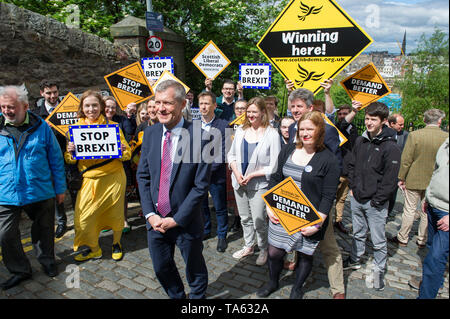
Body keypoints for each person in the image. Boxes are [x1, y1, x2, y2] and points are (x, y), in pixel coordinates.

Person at [136, 80, 211, 299]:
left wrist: (177, 219)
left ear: (181, 105)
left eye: (167, 103)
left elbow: (200, 186)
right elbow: (143, 176)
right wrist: (150, 214)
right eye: (157, 102)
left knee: (194, 268)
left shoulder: (202, 137)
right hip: (155, 221)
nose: (161, 108)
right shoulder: (150, 134)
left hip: (185, 220)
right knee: (161, 267)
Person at [257, 111, 340, 298]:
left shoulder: (329, 160)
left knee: (304, 255)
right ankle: (273, 281)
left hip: (309, 217)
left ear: (320, 130)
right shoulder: (288, 150)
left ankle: (297, 287)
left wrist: (317, 223)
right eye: (302, 129)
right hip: (282, 212)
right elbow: (276, 178)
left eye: (310, 129)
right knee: (274, 252)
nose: (305, 133)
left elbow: (328, 196)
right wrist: (270, 207)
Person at [0, 84, 66, 290]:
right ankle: (20, 269)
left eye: (11, 107)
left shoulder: (42, 126)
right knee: (5, 234)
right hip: (6, 192)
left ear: (25, 106)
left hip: (40, 190)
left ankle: (47, 261)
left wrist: (60, 188)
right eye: (2, 107)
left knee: (44, 231)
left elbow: (55, 158)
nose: (6, 111)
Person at [285, 86, 346, 298]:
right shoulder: (294, 127)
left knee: (328, 244)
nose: (294, 110)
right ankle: (297, 265)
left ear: (310, 107)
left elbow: (334, 165)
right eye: (292, 106)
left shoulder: (327, 130)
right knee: (297, 237)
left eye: (299, 106)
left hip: (318, 197)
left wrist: (323, 205)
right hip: (296, 194)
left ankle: (338, 288)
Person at [65, 91, 131, 262]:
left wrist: (122, 151)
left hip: (114, 177)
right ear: (82, 108)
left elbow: (128, 154)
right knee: (84, 218)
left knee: (115, 214)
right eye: (87, 105)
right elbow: (70, 159)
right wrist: (70, 152)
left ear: (101, 107)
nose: (91, 109)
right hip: (89, 180)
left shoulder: (113, 127)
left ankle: (117, 243)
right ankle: (94, 249)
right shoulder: (74, 129)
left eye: (95, 105)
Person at [344, 101, 401, 291]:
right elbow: (351, 164)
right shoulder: (361, 141)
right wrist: (352, 186)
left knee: (378, 240)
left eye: (373, 120)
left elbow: (390, 179)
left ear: (383, 121)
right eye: (367, 118)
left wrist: (378, 200)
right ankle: (355, 258)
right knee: (358, 233)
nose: (368, 123)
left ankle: (378, 270)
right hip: (357, 196)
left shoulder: (390, 147)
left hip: (375, 202)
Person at [227, 97, 281, 266]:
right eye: (248, 111)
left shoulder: (271, 134)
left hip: (259, 184)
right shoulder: (242, 130)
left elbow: (274, 165)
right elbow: (231, 155)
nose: (250, 115)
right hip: (238, 181)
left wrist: (253, 175)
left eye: (254, 112)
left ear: (263, 112)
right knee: (244, 217)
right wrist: (236, 173)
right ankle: (249, 245)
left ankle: (264, 249)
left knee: (259, 219)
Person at [390, 109, 448, 248]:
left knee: (409, 209)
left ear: (424, 120)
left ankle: (403, 237)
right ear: (439, 121)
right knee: (426, 211)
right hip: (434, 180)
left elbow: (406, 158)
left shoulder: (415, 135)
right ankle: (422, 238)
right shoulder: (445, 137)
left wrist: (401, 176)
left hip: (414, 177)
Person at [32, 80, 68, 238]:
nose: (52, 96)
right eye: (48, 93)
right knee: (56, 194)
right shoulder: (36, 115)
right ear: (42, 94)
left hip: (69, 158)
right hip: (49, 161)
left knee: (76, 191)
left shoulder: (69, 109)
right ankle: (61, 222)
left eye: (55, 92)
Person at [197, 91, 229, 252]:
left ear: (214, 105)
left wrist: (206, 170)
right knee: (201, 205)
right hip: (198, 176)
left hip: (216, 175)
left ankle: (222, 235)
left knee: (220, 206)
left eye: (207, 103)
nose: (203, 106)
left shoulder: (224, 125)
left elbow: (224, 153)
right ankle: (206, 230)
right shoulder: (192, 125)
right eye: (201, 103)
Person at [417, 138, 449, 299]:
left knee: (436, 258)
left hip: (447, 214)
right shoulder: (446, 143)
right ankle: (434, 283)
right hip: (433, 206)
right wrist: (428, 197)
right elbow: (437, 172)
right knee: (432, 252)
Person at [333, 102, 360, 233]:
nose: (342, 116)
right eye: (340, 114)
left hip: (348, 170)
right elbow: (343, 124)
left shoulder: (354, 129)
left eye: (345, 113)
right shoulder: (336, 127)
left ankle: (338, 220)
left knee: (342, 198)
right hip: (336, 169)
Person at [227, 99, 248, 232]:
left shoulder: (253, 124)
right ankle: (237, 219)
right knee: (236, 194)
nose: (240, 111)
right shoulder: (229, 125)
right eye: (238, 108)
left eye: (243, 108)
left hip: (249, 164)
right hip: (233, 164)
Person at [386, 113, 409, 216]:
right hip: (384, 167)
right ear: (391, 124)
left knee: (392, 193)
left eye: (403, 124)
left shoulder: (405, 135)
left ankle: (388, 211)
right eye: (400, 124)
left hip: (396, 169)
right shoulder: (383, 132)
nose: (402, 127)